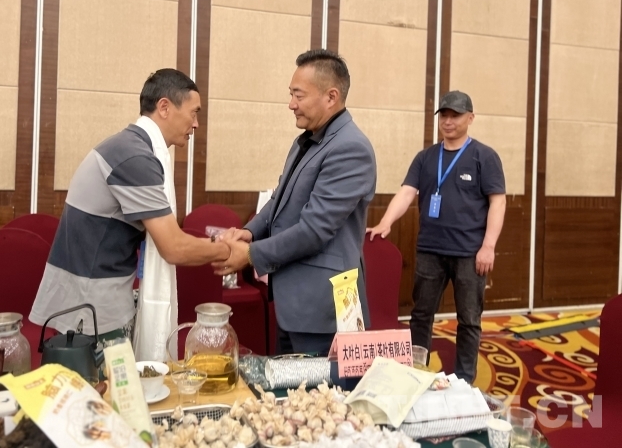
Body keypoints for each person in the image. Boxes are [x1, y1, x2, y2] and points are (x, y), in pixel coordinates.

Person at [29, 68, 230, 344]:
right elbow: (173, 247)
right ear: (164, 107)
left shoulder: (128, 145)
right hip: (91, 310)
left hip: (94, 299)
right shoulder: (134, 157)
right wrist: (227, 249)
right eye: (194, 113)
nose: (196, 124)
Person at [212, 49, 377, 356]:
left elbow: (314, 230)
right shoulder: (307, 140)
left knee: (320, 386)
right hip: (294, 301)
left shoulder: (351, 148)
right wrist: (250, 231)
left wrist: (251, 254)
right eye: (291, 94)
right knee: (289, 384)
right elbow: (280, 199)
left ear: (331, 97)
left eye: (298, 95)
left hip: (323, 307)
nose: (291, 104)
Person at [368, 90, 506, 383]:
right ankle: (416, 374)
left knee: (469, 320)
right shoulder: (426, 158)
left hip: (470, 253)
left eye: (455, 115)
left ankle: (464, 380)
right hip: (430, 249)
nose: (448, 121)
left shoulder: (484, 157)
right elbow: (407, 192)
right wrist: (385, 222)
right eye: (444, 115)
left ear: (470, 118)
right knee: (421, 315)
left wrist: (489, 246)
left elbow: (498, 201)